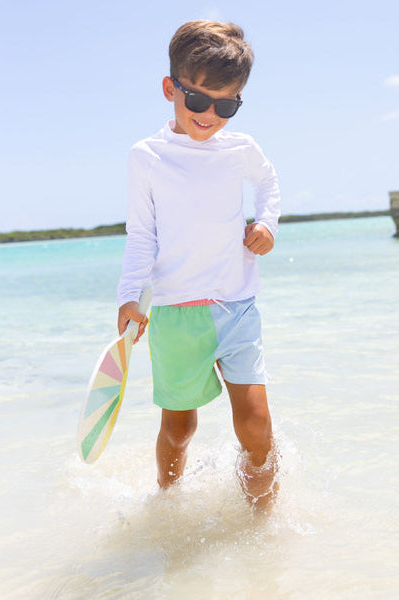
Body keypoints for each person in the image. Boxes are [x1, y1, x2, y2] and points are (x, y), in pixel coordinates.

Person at [116, 20, 281, 507]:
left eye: (226, 106)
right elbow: (141, 233)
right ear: (171, 89)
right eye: (198, 100)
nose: (210, 115)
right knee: (179, 428)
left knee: (255, 423)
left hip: (236, 306)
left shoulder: (240, 148)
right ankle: (167, 506)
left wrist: (267, 224)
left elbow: (268, 183)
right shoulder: (147, 156)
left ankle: (265, 524)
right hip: (175, 314)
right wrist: (128, 297)